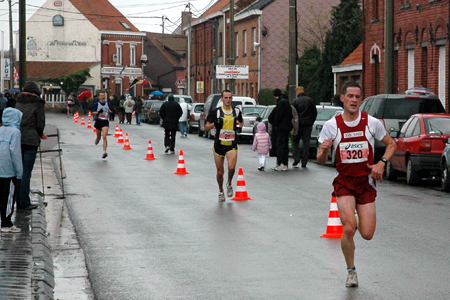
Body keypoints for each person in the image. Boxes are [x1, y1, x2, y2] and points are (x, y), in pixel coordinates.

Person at [316, 81, 397, 288]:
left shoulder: (371, 123)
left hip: (366, 182)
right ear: (342, 98)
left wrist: (382, 163)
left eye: (357, 97)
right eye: (349, 96)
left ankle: (359, 214)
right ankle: (351, 271)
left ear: (361, 99)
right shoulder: (331, 126)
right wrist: (325, 150)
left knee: (367, 234)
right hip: (344, 182)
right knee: (349, 229)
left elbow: (392, 144)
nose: (353, 100)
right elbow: (320, 160)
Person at [205, 90, 243, 202]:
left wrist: (239, 127)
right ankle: (221, 190)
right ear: (221, 99)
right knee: (220, 172)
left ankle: (229, 183)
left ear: (232, 99)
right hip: (219, 145)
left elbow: (241, 121)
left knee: (231, 167)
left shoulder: (236, 111)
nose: (228, 100)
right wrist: (214, 123)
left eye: (230, 98)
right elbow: (207, 127)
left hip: (231, 144)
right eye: (225, 98)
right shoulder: (216, 112)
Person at [15, 81, 47, 210]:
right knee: (26, 173)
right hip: (31, 141)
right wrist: (40, 134)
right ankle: (24, 202)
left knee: (17, 172)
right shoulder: (38, 104)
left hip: (17, 139)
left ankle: (17, 200)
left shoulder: (18, 102)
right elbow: (40, 123)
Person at [0, 108, 23, 232]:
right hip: (9, 170)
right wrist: (19, 171)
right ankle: (6, 223)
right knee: (8, 197)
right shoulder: (15, 132)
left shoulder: (0, 130)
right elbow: (15, 153)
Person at [291, 86, 318, 168]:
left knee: (295, 142)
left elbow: (292, 114)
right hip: (308, 125)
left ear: (297, 92)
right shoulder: (310, 100)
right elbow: (315, 113)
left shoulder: (295, 101)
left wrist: (293, 124)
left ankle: (296, 157)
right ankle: (304, 161)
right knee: (306, 143)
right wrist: (311, 122)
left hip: (298, 125)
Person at [268, 89, 292, 171]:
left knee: (279, 146)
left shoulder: (280, 103)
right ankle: (285, 164)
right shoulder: (287, 103)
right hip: (287, 127)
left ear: (275, 95)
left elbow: (277, 116)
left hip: (280, 128)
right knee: (285, 146)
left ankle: (280, 163)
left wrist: (275, 125)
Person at [92, 91, 111, 159]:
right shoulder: (96, 104)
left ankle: (104, 152)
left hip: (105, 121)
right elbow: (92, 113)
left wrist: (112, 111)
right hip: (98, 121)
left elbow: (109, 110)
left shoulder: (107, 103)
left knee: (105, 137)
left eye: (103, 95)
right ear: (99, 97)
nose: (102, 97)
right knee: (99, 137)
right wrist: (98, 112)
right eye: (101, 96)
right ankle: (97, 139)